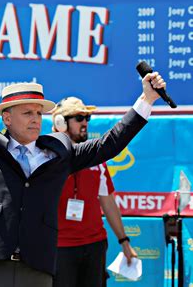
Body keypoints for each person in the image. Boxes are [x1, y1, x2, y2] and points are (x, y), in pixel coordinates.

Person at [0, 25, 165, 287]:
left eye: (39, 113)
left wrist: (146, 99)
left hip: (38, 268)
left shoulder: (60, 152)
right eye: (27, 113)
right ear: (6, 118)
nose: (35, 120)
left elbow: (109, 144)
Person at [51, 97, 138, 287]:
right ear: (60, 123)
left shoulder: (97, 160)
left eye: (87, 118)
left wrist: (124, 241)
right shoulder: (48, 159)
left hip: (95, 245)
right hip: (60, 247)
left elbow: (108, 202)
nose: (85, 123)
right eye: (79, 117)